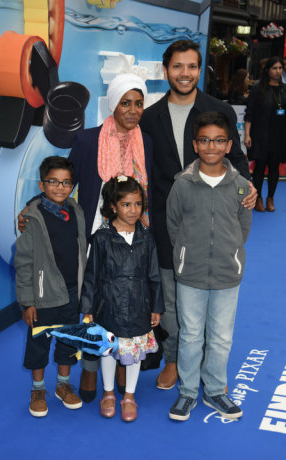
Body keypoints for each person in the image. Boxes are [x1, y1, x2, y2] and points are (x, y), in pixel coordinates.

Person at [18, 74, 154, 403]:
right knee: (96, 305)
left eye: (138, 103)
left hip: (132, 236)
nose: (132, 110)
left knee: (127, 299)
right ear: (113, 104)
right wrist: (30, 208)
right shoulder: (87, 139)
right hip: (94, 238)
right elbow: (63, 184)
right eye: (125, 103)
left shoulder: (146, 141)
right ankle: (91, 370)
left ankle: (122, 367)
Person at [139, 39, 257, 391]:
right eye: (178, 66)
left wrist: (247, 186)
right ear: (166, 71)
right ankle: (174, 359)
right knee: (173, 299)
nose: (185, 73)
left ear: (199, 69)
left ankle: (204, 359)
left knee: (213, 298)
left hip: (214, 221)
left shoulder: (218, 109)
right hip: (165, 221)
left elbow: (235, 157)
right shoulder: (148, 118)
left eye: (192, 66)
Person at [166, 112, 252, 421]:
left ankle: (215, 391)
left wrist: (230, 255)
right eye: (204, 140)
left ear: (229, 145)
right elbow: (174, 226)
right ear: (195, 144)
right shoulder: (183, 185)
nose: (211, 146)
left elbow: (243, 228)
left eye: (218, 140)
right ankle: (188, 392)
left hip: (228, 275)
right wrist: (187, 255)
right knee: (190, 335)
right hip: (190, 275)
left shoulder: (242, 187)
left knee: (220, 337)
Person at [81, 176, 165, 421]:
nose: (133, 210)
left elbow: (154, 276)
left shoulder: (147, 237)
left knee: (133, 354)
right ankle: (108, 393)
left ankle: (129, 395)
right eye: (126, 204)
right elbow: (91, 276)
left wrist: (156, 307)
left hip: (139, 306)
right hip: (108, 307)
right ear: (113, 206)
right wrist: (88, 309)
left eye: (138, 204)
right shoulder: (101, 238)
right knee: (108, 352)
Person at [14, 156, 87, 417]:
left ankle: (63, 386)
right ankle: (38, 389)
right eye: (53, 181)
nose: (60, 187)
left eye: (66, 182)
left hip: (70, 292)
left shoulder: (75, 210)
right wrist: (27, 302)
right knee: (39, 343)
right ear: (41, 184)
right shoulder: (32, 217)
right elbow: (23, 263)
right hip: (43, 296)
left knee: (68, 340)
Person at [244, 56, 286, 212]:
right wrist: (247, 135)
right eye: (274, 68)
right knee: (260, 167)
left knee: (274, 167)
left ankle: (270, 199)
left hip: (279, 135)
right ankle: (258, 198)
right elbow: (249, 114)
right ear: (267, 70)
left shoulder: (284, 89)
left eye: (280, 68)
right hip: (261, 134)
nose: (277, 71)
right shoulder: (258, 88)